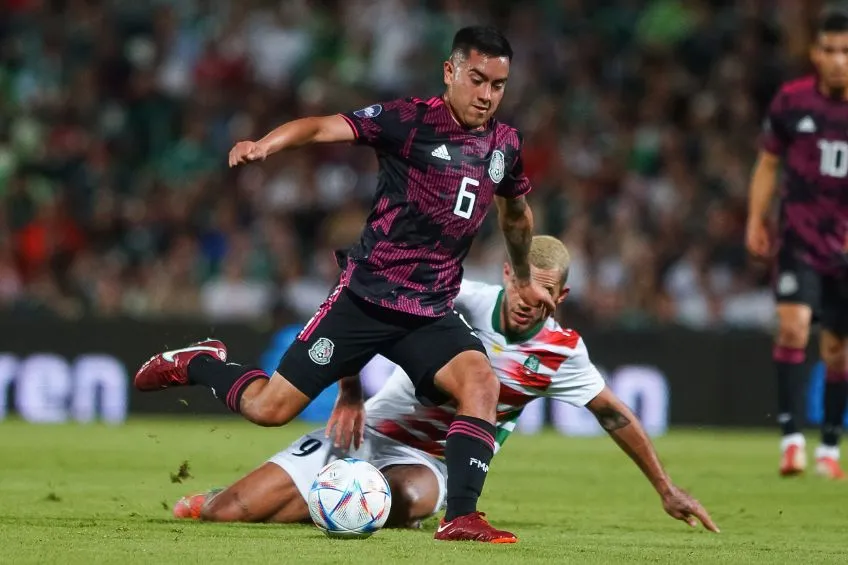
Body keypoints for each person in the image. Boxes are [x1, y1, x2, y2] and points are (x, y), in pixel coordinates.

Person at [133, 26, 555, 543]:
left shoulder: (504, 145)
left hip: (429, 310)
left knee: (480, 382)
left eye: (498, 85)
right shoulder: (409, 120)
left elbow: (515, 216)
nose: (487, 95)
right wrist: (266, 144)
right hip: (366, 300)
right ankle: (200, 362)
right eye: (477, 79)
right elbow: (320, 127)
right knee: (270, 410)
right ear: (450, 72)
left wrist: (525, 278)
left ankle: (461, 517)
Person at [171, 236, 719, 535]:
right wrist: (350, 391)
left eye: (546, 290)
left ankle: (350, 499)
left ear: (563, 296)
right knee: (227, 516)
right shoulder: (457, 300)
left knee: (407, 497)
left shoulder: (563, 351)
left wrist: (665, 487)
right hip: (373, 430)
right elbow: (358, 317)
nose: (531, 296)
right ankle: (238, 489)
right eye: (524, 280)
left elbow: (614, 414)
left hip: (433, 463)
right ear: (508, 272)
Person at [746, 6, 848, 479]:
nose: (838, 60)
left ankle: (829, 446)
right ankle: (790, 439)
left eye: (846, 52)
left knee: (838, 352)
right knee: (792, 328)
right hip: (799, 239)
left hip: (845, 250)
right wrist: (755, 218)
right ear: (815, 53)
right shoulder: (792, 101)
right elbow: (768, 164)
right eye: (829, 50)